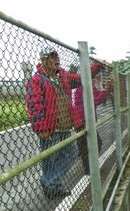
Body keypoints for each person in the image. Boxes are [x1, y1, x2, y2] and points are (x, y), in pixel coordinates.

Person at [26, 48, 94, 199]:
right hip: (50, 129)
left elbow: (80, 78)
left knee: (70, 154)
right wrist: (42, 128)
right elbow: (34, 106)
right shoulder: (36, 80)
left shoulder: (62, 75)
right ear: (43, 61)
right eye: (52, 56)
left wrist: (97, 67)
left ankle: (49, 181)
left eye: (57, 56)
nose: (57, 59)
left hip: (65, 126)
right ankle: (53, 187)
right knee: (49, 160)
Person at [73, 68, 113, 175]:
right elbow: (95, 101)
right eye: (94, 77)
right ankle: (88, 170)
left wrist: (107, 89)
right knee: (88, 145)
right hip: (81, 121)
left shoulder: (90, 87)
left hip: (88, 121)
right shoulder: (82, 88)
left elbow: (99, 95)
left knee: (93, 144)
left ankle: (89, 164)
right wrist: (107, 89)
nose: (96, 79)